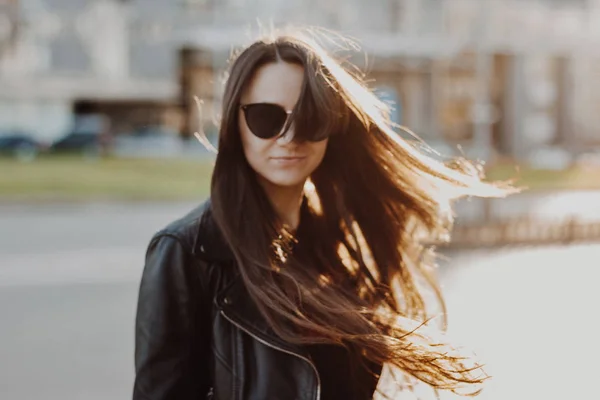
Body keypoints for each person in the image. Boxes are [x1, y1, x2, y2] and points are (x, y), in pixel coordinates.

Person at [133, 28, 511, 400]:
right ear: (235, 124)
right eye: (266, 117)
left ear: (332, 127)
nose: (290, 136)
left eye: (310, 117)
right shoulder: (187, 252)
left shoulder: (338, 249)